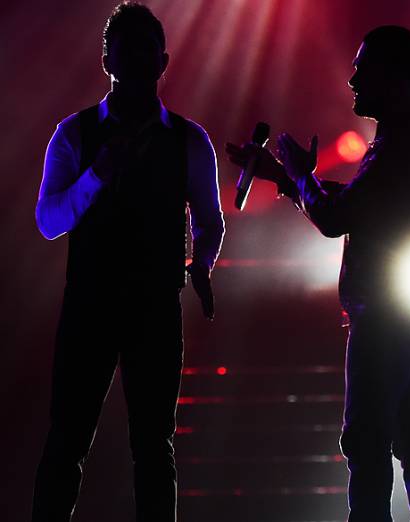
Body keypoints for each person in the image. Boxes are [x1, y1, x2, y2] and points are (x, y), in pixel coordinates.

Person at [226, 25, 410, 522]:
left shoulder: (404, 145)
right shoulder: (406, 138)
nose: (352, 78)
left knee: (369, 441)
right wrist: (289, 179)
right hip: (397, 313)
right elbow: (359, 207)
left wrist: (299, 176)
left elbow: (337, 219)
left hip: (384, 317)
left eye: (363, 67)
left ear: (395, 78)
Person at [32, 3, 224, 521]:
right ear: (106, 58)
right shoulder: (74, 134)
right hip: (90, 306)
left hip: (154, 310)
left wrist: (200, 263)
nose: (138, 59)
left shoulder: (189, 140)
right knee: (67, 445)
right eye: (127, 48)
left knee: (153, 450)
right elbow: (48, 220)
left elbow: (211, 222)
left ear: (163, 61)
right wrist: (96, 176)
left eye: (146, 50)